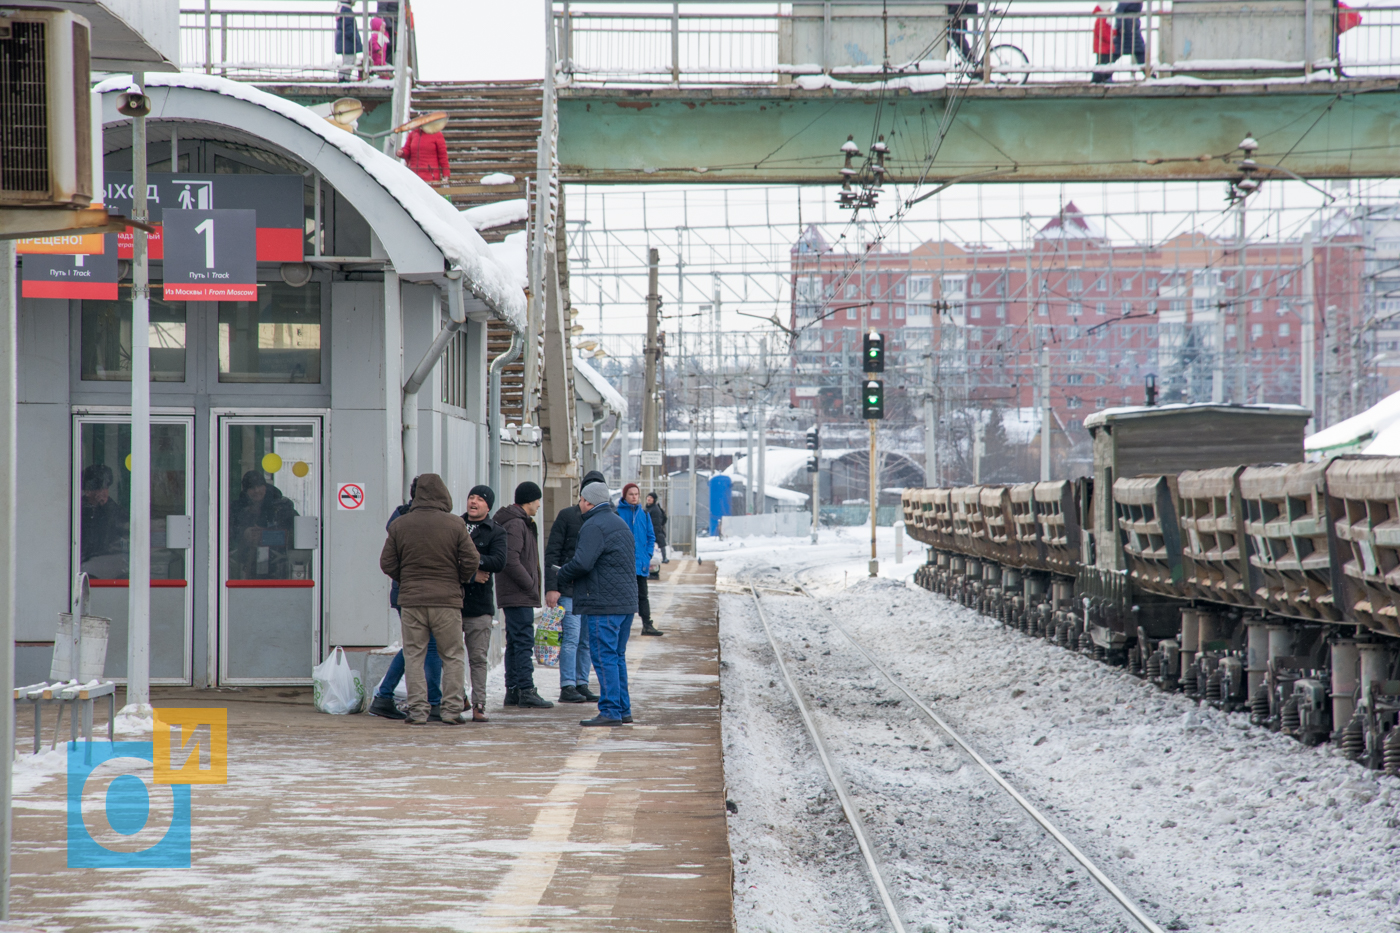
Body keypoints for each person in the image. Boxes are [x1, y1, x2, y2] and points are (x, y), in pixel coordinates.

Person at [378, 473, 479, 725]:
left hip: (411, 601)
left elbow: (387, 563)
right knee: (453, 655)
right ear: (443, 494)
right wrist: (459, 579)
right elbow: (472, 560)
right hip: (447, 601)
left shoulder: (400, 524)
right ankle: (451, 711)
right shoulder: (455, 524)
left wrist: (408, 579)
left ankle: (417, 711)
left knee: (414, 655)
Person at [557, 482, 639, 726]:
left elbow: (582, 563)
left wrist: (562, 573)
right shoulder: (618, 522)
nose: (579, 504)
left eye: (581, 499)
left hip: (604, 604)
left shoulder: (593, 525)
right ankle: (623, 709)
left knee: (604, 657)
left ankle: (611, 711)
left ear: (589, 501)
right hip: (625, 602)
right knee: (616, 656)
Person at [369, 478, 443, 721]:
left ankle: (384, 696)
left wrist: (405, 579)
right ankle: (433, 703)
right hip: (422, 593)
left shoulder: (399, 519)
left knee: (413, 645)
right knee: (428, 645)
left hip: (404, 592)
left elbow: (388, 562)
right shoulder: (424, 520)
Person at [545, 470, 607, 704]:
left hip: (591, 592)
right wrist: (552, 587)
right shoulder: (566, 516)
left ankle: (582, 683)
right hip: (568, 590)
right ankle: (567, 685)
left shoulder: (604, 520)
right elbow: (552, 552)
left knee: (586, 640)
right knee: (571, 638)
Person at [496, 481, 552, 708]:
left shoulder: (516, 521)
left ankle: (514, 690)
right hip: (518, 593)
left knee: (515, 642)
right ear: (529, 501)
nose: (539, 505)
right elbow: (511, 559)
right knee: (523, 641)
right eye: (537, 500)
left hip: (514, 593)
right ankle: (526, 689)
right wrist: (530, 584)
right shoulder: (517, 524)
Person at [461, 484, 507, 722]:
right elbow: (445, 558)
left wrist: (468, 560)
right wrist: (474, 567)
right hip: (452, 603)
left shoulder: (495, 531)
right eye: (471, 497)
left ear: (488, 506)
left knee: (478, 658)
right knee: (449, 655)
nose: (474, 502)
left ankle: (479, 704)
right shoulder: (455, 525)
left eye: (479, 499)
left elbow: (498, 562)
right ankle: (459, 697)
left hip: (479, 606)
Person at [229, 469, 298, 579]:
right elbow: (227, 534)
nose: (256, 491)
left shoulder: (282, 506)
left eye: (260, 486)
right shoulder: (237, 509)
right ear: (245, 491)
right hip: (245, 568)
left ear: (265, 486)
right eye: (251, 488)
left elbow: (297, 535)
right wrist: (244, 533)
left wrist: (266, 535)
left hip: (278, 566)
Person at [618, 483, 663, 636]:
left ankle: (647, 624)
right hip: (622, 564)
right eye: (631, 494)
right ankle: (620, 626)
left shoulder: (644, 514)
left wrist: (647, 554)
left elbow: (651, 536)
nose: (634, 497)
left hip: (640, 563)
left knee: (643, 595)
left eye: (636, 494)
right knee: (622, 596)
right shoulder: (617, 514)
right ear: (625, 496)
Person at [398, 117, 450, 186]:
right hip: (414, 177)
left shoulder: (437, 134)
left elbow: (443, 156)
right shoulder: (413, 134)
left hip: (431, 179)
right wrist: (402, 152)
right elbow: (407, 150)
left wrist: (446, 174)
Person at [1112, 1, 1145, 71]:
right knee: (1140, 52)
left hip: (1130, 28)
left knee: (1115, 53)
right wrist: (1120, 27)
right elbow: (1119, 11)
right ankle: (1101, 76)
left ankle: (1102, 76)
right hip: (1127, 29)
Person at [334, 2, 362, 82]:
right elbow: (347, 27)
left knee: (348, 61)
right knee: (349, 61)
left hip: (345, 42)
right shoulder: (347, 11)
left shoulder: (342, 10)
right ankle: (344, 79)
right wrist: (354, 38)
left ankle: (343, 78)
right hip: (348, 42)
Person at [1091, 6, 1116, 84]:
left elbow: (1105, 31)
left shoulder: (1104, 19)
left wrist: (1114, 32)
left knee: (1104, 63)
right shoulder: (1102, 19)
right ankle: (1098, 79)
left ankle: (1101, 79)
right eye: (1109, 9)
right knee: (1103, 63)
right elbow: (1102, 32)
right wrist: (1110, 39)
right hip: (1103, 47)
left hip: (1104, 47)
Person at [645, 492, 669, 565]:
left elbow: (656, 522)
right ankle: (663, 558)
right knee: (660, 544)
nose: (649, 499)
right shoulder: (648, 507)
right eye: (648, 497)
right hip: (651, 530)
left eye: (651, 498)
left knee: (660, 544)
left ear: (654, 500)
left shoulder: (655, 509)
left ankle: (664, 558)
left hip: (654, 531)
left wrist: (652, 532)